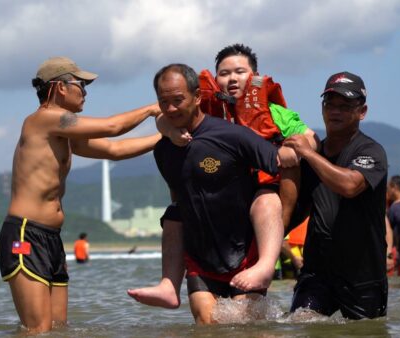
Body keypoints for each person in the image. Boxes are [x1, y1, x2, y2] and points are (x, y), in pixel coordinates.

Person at [128, 43, 317, 309]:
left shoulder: (272, 112)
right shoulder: (203, 106)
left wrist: (293, 147)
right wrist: (170, 132)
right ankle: (169, 284)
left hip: (265, 196)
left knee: (266, 199)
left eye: (239, 72)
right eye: (224, 73)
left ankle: (267, 259)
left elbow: (310, 137)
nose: (231, 79)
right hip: (218, 208)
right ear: (213, 80)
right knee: (175, 213)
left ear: (253, 76)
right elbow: (165, 114)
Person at [0, 56, 161, 334]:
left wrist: (165, 137)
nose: (85, 91)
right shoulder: (43, 120)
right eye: (81, 84)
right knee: (38, 329)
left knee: (59, 328)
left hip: (51, 238)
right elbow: (112, 127)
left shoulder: (63, 133)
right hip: (25, 235)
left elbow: (114, 150)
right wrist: (152, 110)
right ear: (60, 87)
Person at [143, 63, 286, 324]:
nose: (171, 108)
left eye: (178, 100)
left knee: (243, 326)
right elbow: (179, 196)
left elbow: (280, 167)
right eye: (164, 102)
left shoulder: (233, 136)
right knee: (208, 325)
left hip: (243, 254)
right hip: (200, 257)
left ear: (197, 97)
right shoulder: (163, 151)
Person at [283, 71, 388, 319]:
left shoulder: (371, 150)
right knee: (301, 324)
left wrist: (308, 154)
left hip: (363, 275)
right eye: (330, 104)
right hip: (317, 272)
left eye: (344, 106)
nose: (335, 111)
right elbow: (298, 208)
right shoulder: (313, 156)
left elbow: (350, 186)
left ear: (362, 111)